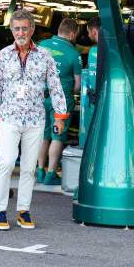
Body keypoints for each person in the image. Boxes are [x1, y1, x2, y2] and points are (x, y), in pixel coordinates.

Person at [0, 9, 68, 230]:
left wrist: (60, 115)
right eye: (17, 28)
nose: (20, 32)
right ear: (11, 30)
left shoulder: (45, 56)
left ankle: (23, 210)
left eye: (25, 28)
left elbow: (55, 86)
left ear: (32, 29)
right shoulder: (2, 55)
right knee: (5, 162)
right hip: (9, 118)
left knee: (29, 168)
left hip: (35, 119)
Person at [36, 18, 82, 185]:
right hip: (61, 101)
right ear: (72, 34)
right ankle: (51, 174)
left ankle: (40, 170)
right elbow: (77, 85)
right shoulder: (74, 54)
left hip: (41, 97)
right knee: (58, 136)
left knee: (43, 135)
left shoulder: (40, 46)